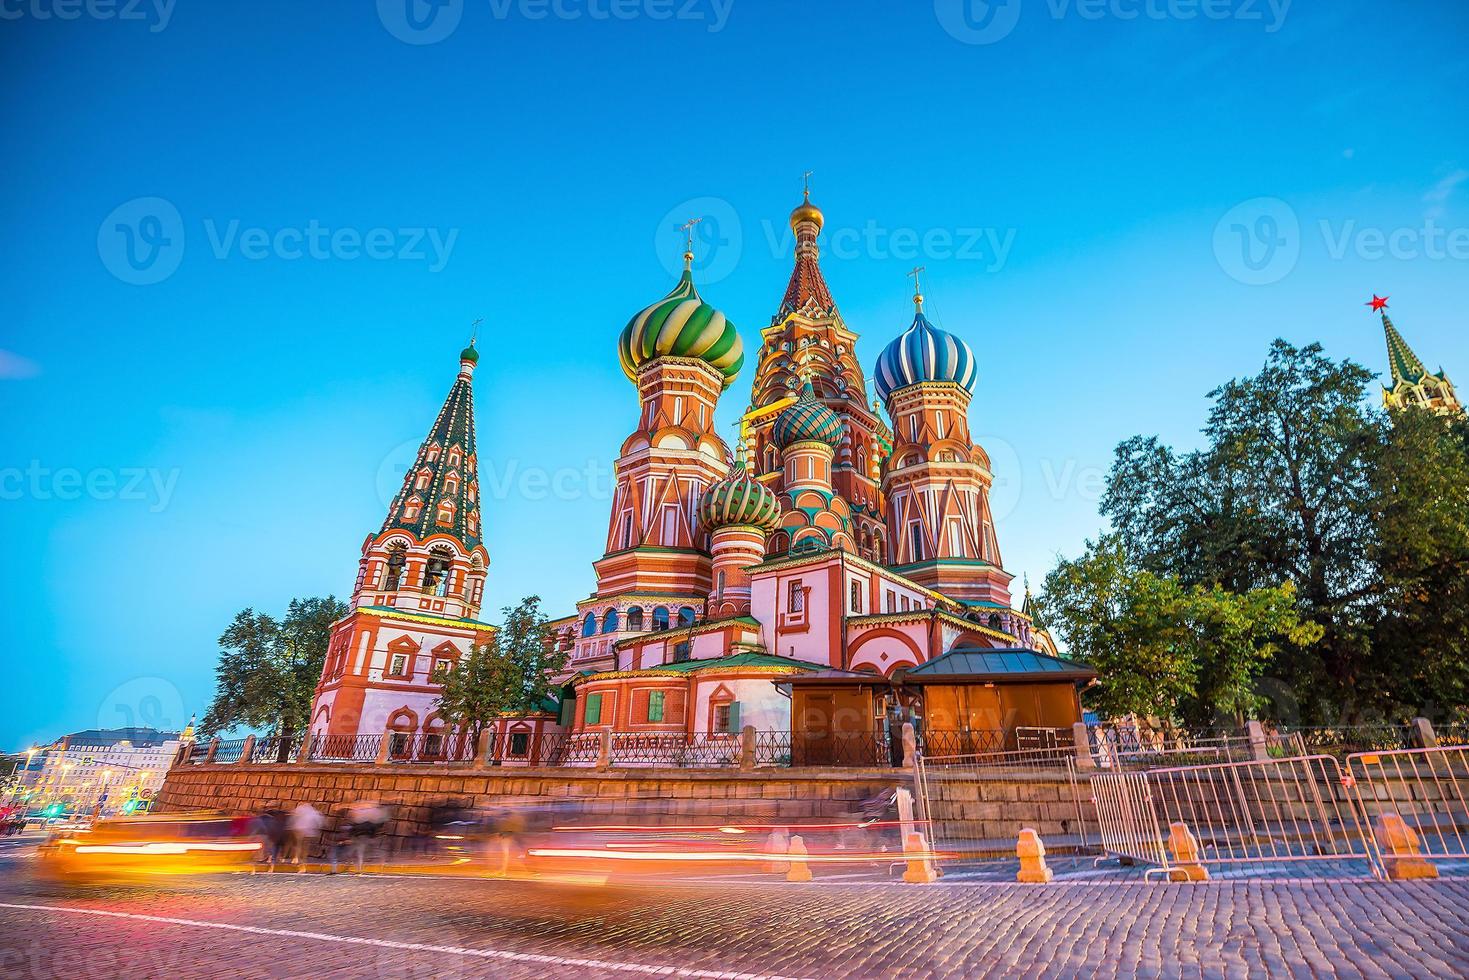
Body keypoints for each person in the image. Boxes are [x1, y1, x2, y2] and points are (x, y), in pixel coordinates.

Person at [286, 802, 324, 869]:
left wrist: (290, 826)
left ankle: (296, 858)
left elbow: (293, 817)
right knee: (305, 847)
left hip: (299, 829)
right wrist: (317, 828)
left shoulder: (300, 809)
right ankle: (303, 860)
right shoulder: (313, 812)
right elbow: (319, 821)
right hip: (309, 831)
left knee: (298, 844)